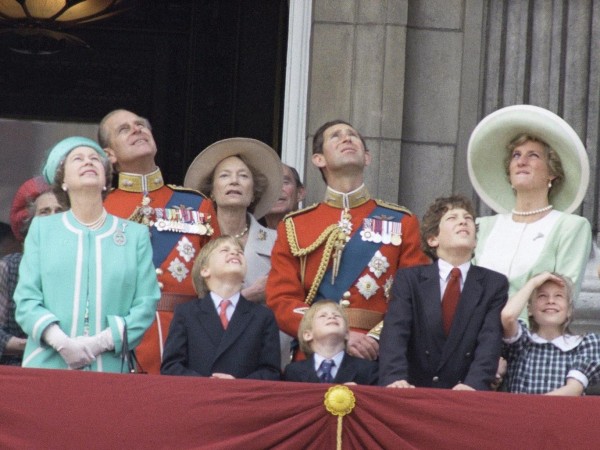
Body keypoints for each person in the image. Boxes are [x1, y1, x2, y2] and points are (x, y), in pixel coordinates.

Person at [266, 120, 429, 361]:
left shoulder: (402, 221)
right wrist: (334, 335)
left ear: (367, 157)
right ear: (318, 159)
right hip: (315, 355)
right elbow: (281, 300)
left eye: (352, 135)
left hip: (377, 354)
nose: (346, 138)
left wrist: (375, 338)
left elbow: (415, 294)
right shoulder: (294, 225)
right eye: (336, 136)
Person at [14, 136, 160, 371]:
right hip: (47, 364)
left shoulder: (135, 235)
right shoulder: (43, 230)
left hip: (110, 366)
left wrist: (99, 343)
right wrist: (61, 342)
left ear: (105, 181)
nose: (88, 162)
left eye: (95, 159)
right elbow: (26, 299)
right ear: (63, 181)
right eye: (78, 159)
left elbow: (146, 303)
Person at [99, 109, 219, 374]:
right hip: (119, 338)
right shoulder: (100, 207)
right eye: (124, 129)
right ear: (110, 155)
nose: (136, 129)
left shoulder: (197, 204)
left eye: (141, 125)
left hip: (187, 338)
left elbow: (219, 282)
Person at [469, 105, 592, 321]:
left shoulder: (571, 227)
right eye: (516, 155)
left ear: (552, 172)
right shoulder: (483, 226)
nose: (521, 161)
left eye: (533, 155)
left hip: (534, 348)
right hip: (476, 346)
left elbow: (561, 298)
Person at [379, 195, 508, 390]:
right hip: (414, 390)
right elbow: (395, 333)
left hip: (466, 393)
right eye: (452, 218)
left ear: (475, 242)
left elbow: (489, 341)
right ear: (433, 239)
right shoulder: (409, 279)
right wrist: (395, 378)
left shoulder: (494, 284)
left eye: (468, 218)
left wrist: (473, 384)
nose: (463, 221)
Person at [161, 236, 280, 379]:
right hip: (198, 398)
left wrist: (238, 385)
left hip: (244, 399)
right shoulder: (186, 313)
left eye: (240, 252)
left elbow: (271, 371)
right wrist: (207, 385)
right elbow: (171, 366)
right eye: (225, 250)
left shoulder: (263, 316)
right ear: (205, 271)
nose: (235, 253)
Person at [184, 137, 283, 305]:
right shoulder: (191, 241)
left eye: (243, 176)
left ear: (253, 193)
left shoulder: (277, 241)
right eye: (224, 176)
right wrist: (248, 295)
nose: (234, 181)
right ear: (212, 191)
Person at [501, 272, 600, 395]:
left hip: (560, 413)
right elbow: (507, 316)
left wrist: (532, 409)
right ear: (530, 309)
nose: (551, 301)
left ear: (569, 310)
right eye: (542, 296)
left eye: (558, 296)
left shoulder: (584, 343)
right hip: (519, 413)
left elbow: (573, 389)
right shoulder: (522, 342)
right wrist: (532, 283)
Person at [0, 177, 63, 365]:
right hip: (19, 370)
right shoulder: (9, 267)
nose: (53, 217)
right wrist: (29, 345)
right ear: (30, 223)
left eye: (60, 211)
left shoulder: (84, 266)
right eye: (45, 212)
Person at [283, 300, 377, 385]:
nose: (332, 316)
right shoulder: (293, 371)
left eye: (337, 315)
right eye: (323, 316)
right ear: (308, 335)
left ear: (347, 334)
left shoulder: (368, 369)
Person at [262, 164, 306, 230]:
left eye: (284, 182)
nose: (277, 189)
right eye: (269, 184)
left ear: (299, 193)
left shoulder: (316, 235)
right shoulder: (249, 238)